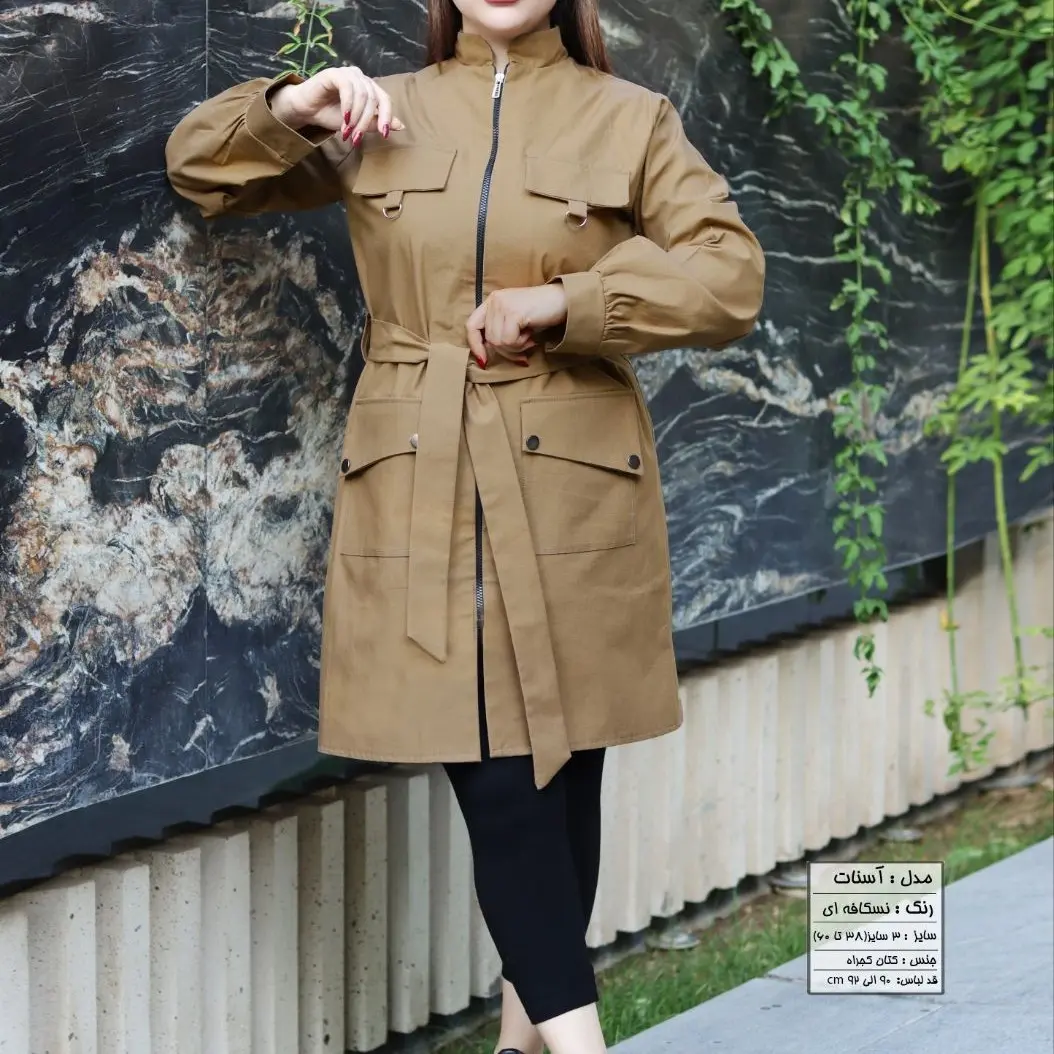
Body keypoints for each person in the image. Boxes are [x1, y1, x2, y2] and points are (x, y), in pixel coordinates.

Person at [166, 0, 764, 1050]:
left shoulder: (630, 117)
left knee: (560, 773)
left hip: (577, 485)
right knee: (501, 776)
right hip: (421, 475)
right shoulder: (378, 111)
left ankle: (524, 1041)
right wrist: (295, 106)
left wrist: (569, 304)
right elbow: (199, 170)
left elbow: (729, 275)